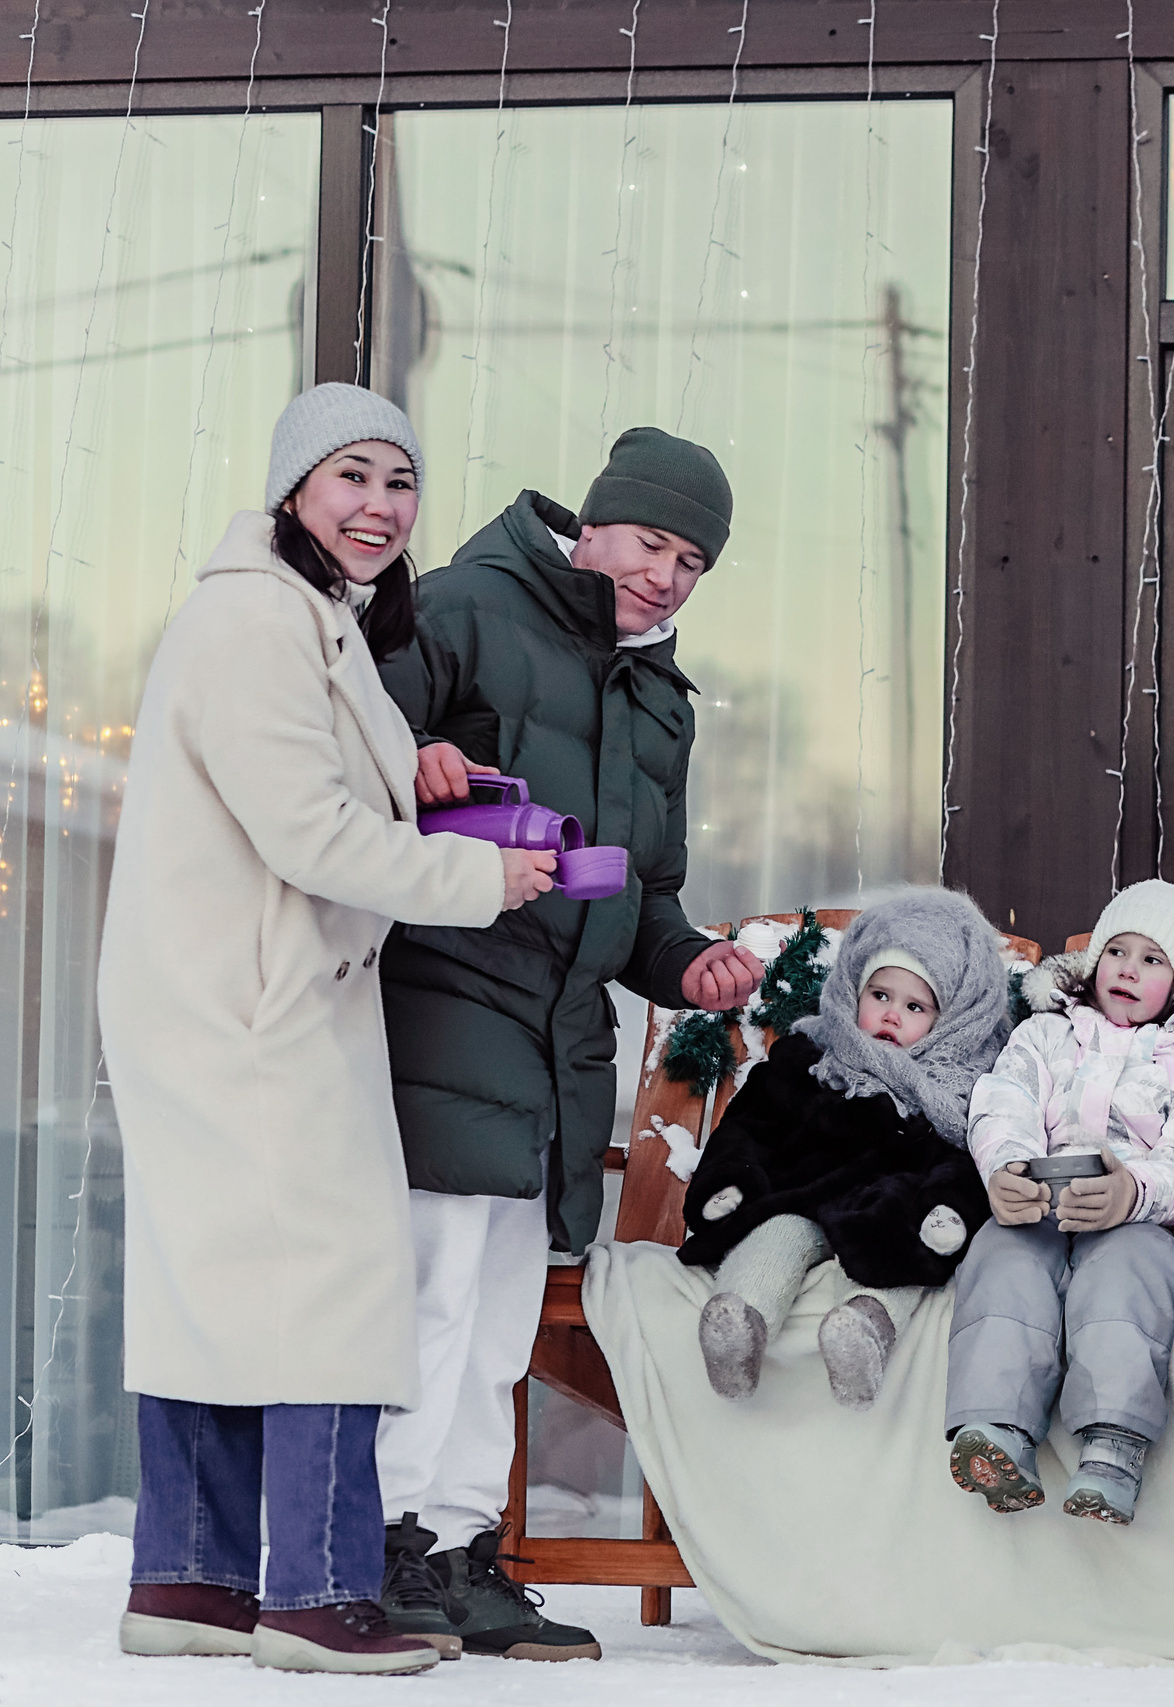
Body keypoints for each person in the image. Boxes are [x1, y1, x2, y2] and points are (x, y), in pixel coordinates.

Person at [99, 385, 557, 1674]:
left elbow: (310, 780)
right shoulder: (259, 620)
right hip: (255, 1009)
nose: (379, 506)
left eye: (400, 483)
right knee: (333, 1287)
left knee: (215, 1288)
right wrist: (479, 878)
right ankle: (316, 1597)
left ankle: (187, 1582)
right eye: (352, 476)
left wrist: (416, 767)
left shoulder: (307, 617)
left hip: (224, 1000)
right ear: (293, 488)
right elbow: (305, 831)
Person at [371, 427, 765, 1662]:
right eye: (650, 542)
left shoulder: (658, 700)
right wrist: (413, 762)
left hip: (560, 1042)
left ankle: (458, 1550)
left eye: (692, 563)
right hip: (444, 1000)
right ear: (592, 524)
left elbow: (645, 899)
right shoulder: (463, 609)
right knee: (431, 1295)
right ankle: (380, 1545)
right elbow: (337, 763)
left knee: (496, 1315)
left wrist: (687, 963)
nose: (666, 576)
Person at [945, 880, 1174, 1525]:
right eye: (1117, 952)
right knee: (1002, 1258)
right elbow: (1005, 1102)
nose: (1128, 970)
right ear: (1094, 961)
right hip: (1040, 1196)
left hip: (1129, 1213)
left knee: (1126, 1280)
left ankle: (1113, 1445)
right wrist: (1006, 1168)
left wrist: (1133, 1192)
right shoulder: (1044, 1034)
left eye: (1152, 960)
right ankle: (997, 1431)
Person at [676, 889, 1014, 1404]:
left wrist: (948, 1208)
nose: (891, 1015)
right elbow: (751, 1125)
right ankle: (738, 1322)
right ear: (854, 990)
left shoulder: (963, 1090)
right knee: (776, 1236)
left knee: (898, 1256)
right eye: (880, 995)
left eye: (915, 1006)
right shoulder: (812, 1059)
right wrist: (731, 1178)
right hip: (802, 1196)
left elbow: (966, 1162)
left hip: (894, 1212)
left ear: (951, 1021)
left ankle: (862, 1334)